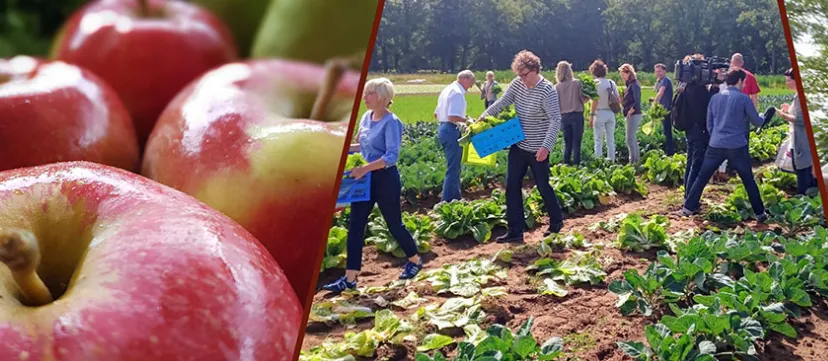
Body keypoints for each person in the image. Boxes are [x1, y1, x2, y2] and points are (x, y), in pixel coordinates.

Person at [323, 78, 423, 293]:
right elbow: (362, 145)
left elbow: (391, 156)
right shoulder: (366, 118)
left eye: (370, 94)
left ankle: (415, 260)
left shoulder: (392, 122)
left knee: (394, 224)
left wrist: (365, 168)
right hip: (364, 179)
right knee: (356, 226)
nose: (365, 97)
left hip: (385, 179)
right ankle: (350, 279)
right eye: (366, 93)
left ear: (383, 98)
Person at [477, 50, 565, 243]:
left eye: (524, 75)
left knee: (542, 186)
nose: (522, 79)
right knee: (511, 186)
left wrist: (546, 147)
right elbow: (501, 103)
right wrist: (482, 119)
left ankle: (557, 221)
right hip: (519, 144)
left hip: (538, 149)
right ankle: (515, 231)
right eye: (519, 75)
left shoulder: (547, 90)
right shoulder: (518, 84)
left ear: (535, 70)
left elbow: (555, 119)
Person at [678, 69, 768, 221]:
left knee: (702, 177)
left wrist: (715, 136)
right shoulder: (744, 99)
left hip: (716, 144)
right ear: (739, 81)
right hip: (737, 146)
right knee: (748, 180)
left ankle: (687, 208)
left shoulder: (716, 98)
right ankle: (760, 214)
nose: (744, 84)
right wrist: (762, 117)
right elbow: (756, 122)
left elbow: (709, 122)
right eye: (744, 82)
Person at [435, 70, 476, 202]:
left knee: (453, 165)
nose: (470, 86)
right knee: (453, 168)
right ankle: (447, 200)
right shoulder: (458, 93)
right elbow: (452, 116)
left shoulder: (446, 90)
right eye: (471, 82)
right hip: (451, 130)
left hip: (443, 128)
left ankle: (456, 197)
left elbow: (436, 114)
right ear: (466, 79)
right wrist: (468, 121)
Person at [775, 68, 817, 195]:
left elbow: (800, 120)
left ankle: (804, 196)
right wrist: (789, 109)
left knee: (803, 171)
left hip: (802, 141)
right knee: (805, 169)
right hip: (802, 140)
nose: (787, 83)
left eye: (789, 80)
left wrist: (783, 115)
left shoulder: (800, 97)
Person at [555, 61, 589, 165]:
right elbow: (583, 99)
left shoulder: (556, 87)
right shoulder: (577, 83)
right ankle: (576, 166)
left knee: (567, 143)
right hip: (576, 115)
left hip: (564, 117)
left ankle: (566, 165)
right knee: (576, 143)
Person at [589, 59, 618, 162]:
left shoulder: (595, 83)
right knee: (610, 139)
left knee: (598, 140)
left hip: (599, 113)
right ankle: (612, 160)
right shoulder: (611, 83)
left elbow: (594, 101)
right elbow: (617, 99)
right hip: (610, 113)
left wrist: (591, 116)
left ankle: (599, 161)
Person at [619, 63, 642, 164]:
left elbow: (637, 100)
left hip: (634, 114)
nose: (622, 75)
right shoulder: (629, 85)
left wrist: (630, 111)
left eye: (623, 73)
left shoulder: (634, 84)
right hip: (631, 113)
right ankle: (636, 160)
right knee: (632, 138)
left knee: (629, 139)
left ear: (628, 73)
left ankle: (632, 161)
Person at [653, 63, 675, 155]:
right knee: (665, 131)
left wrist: (654, 103)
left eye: (659, 71)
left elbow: (661, 92)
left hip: (666, 109)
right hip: (662, 109)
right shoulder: (660, 81)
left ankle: (670, 152)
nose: (658, 73)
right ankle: (668, 150)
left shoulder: (665, 80)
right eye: (656, 71)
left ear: (664, 71)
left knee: (667, 131)